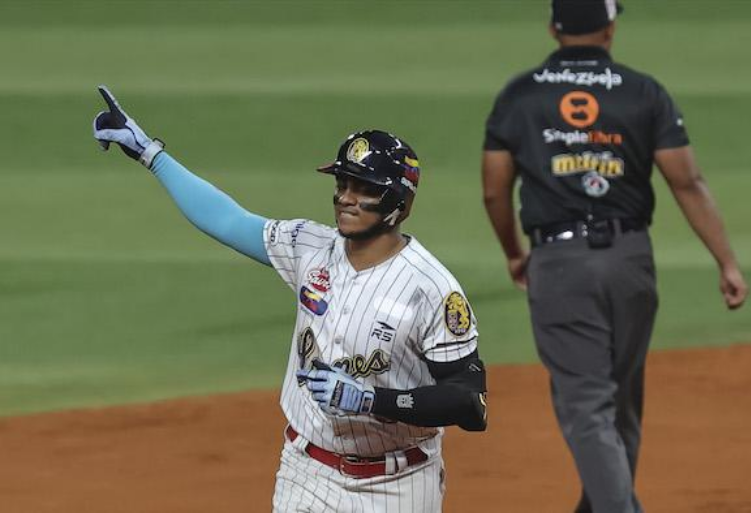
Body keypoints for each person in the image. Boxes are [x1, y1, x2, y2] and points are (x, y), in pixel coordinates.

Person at [92, 86, 487, 512]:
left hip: (399, 486)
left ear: (399, 203)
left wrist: (372, 401)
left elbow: (470, 403)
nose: (346, 197)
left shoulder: (431, 289)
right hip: (306, 473)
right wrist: (151, 154)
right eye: (343, 183)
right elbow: (227, 219)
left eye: (363, 188)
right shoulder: (307, 247)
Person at [481, 1, 748, 512]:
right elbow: (687, 182)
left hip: (559, 262)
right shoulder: (643, 91)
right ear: (609, 28)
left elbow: (494, 189)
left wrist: (514, 252)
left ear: (554, 28)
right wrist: (727, 262)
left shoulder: (520, 95)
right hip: (631, 261)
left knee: (587, 406)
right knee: (620, 402)